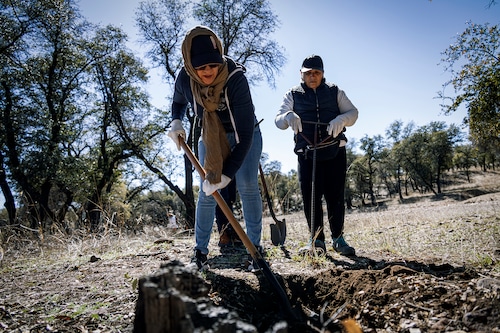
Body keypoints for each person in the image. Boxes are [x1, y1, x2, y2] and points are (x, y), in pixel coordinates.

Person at [167, 26, 263, 269]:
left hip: (244, 135)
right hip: (210, 137)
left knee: (248, 185)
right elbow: (178, 101)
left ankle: (256, 250)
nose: (208, 71)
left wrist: (227, 174)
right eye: (201, 67)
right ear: (190, 65)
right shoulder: (185, 78)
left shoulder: (236, 79)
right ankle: (199, 252)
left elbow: (244, 135)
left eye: (212, 64)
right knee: (207, 192)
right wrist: (176, 120)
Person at [275, 55, 358, 256]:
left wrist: (341, 119)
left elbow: (353, 113)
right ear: (301, 74)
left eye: (316, 73)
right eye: (308, 73)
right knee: (310, 198)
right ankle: (317, 241)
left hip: (334, 151)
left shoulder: (335, 91)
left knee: (335, 196)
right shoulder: (292, 94)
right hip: (307, 154)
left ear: (322, 74)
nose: (312, 76)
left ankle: (338, 239)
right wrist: (288, 116)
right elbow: (278, 121)